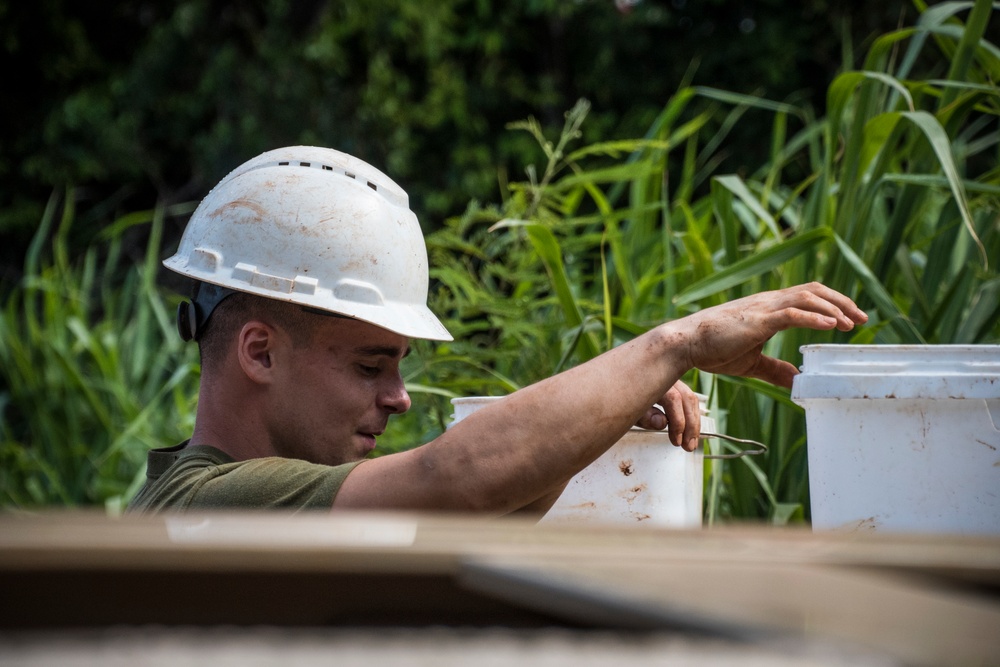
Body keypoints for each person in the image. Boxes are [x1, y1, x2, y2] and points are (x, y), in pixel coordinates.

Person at [127, 146, 867, 515]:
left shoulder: (283, 510)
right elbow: (454, 479)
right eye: (369, 365)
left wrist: (602, 421)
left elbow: (473, 523)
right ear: (259, 350)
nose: (400, 397)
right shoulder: (212, 504)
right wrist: (676, 344)